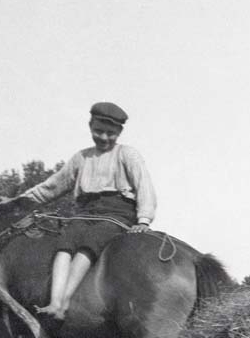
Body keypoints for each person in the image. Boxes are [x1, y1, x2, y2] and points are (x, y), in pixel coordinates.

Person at [9, 101, 156, 320]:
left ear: (119, 132)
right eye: (98, 131)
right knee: (65, 242)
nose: (104, 138)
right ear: (90, 126)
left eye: (110, 133)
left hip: (116, 214)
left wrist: (143, 220)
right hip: (85, 212)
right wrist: (16, 203)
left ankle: (64, 301)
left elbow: (145, 187)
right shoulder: (81, 158)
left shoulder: (127, 155)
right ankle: (54, 301)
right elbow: (51, 187)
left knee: (90, 242)